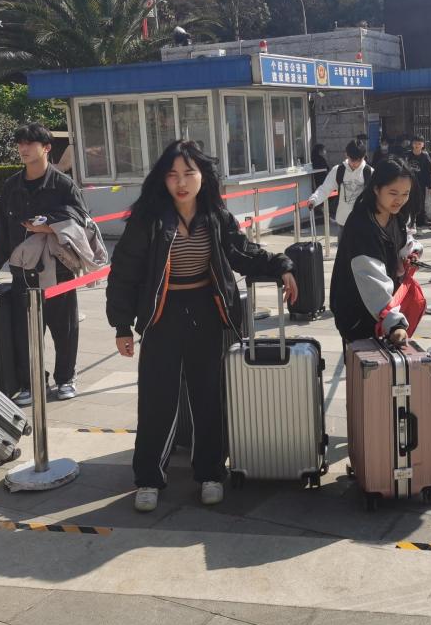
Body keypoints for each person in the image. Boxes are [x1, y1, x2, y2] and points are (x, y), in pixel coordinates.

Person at [106, 140, 298, 511]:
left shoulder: (215, 215)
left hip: (206, 312)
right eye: (172, 175)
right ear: (163, 179)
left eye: (188, 173)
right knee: (157, 399)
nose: (181, 182)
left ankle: (210, 473)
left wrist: (281, 265)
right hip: (162, 315)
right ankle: (148, 478)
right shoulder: (149, 219)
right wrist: (122, 326)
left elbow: (242, 252)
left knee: (208, 396)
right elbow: (124, 273)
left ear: (203, 176)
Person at [0, 123, 88, 406]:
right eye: (20, 143)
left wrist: (50, 225)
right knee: (25, 333)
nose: (23, 149)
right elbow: (0, 231)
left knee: (64, 330)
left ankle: (66, 378)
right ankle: (32, 382)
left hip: (59, 271)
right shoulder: (11, 186)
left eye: (30, 143)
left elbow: (81, 219)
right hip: (23, 273)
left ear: (46, 147)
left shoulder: (63, 184)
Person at [330, 157, 423, 347]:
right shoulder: (361, 226)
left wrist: (411, 251)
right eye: (393, 193)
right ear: (376, 189)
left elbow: (402, 242)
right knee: (363, 364)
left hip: (382, 313)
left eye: (405, 193)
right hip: (357, 316)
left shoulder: (394, 216)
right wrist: (395, 323)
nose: (400, 200)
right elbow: (372, 279)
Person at [309, 139, 373, 232]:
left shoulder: (369, 172)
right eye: (352, 160)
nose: (355, 163)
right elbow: (325, 188)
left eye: (359, 160)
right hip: (343, 222)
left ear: (363, 157)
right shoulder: (338, 170)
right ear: (346, 155)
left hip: (364, 223)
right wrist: (314, 199)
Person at [406, 135, 431, 230]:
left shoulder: (425, 157)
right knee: (408, 202)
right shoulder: (407, 155)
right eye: (415, 143)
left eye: (419, 143)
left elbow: (429, 172)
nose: (417, 145)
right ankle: (409, 221)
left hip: (421, 184)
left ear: (423, 145)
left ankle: (420, 222)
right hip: (408, 183)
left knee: (420, 203)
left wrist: (430, 186)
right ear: (412, 144)